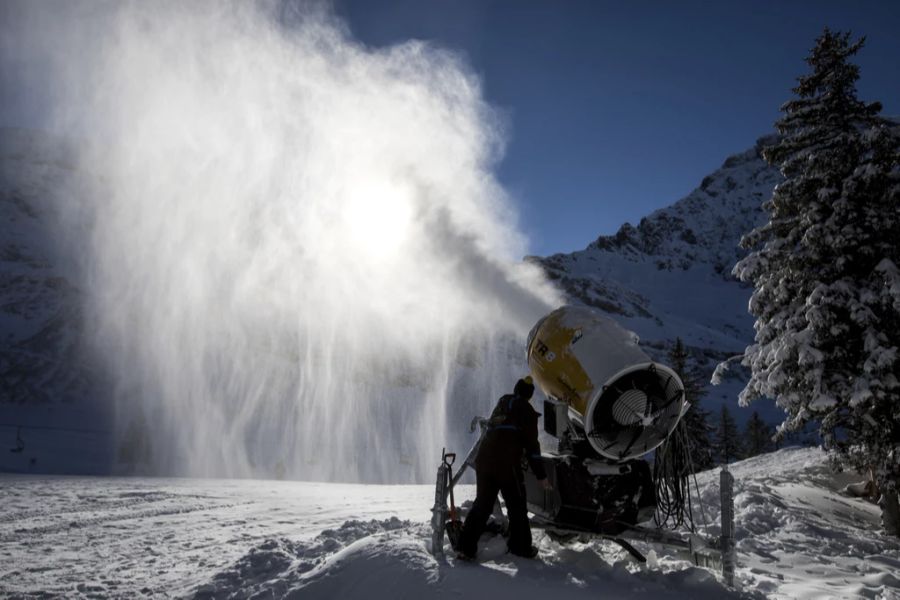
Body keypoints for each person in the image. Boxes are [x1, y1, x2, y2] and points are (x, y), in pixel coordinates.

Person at [457, 376, 551, 560]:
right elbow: (532, 448)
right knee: (516, 506)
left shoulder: (502, 403)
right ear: (529, 395)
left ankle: (464, 548)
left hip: (483, 461)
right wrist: (541, 475)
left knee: (482, 505)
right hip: (506, 464)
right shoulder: (527, 411)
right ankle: (521, 548)